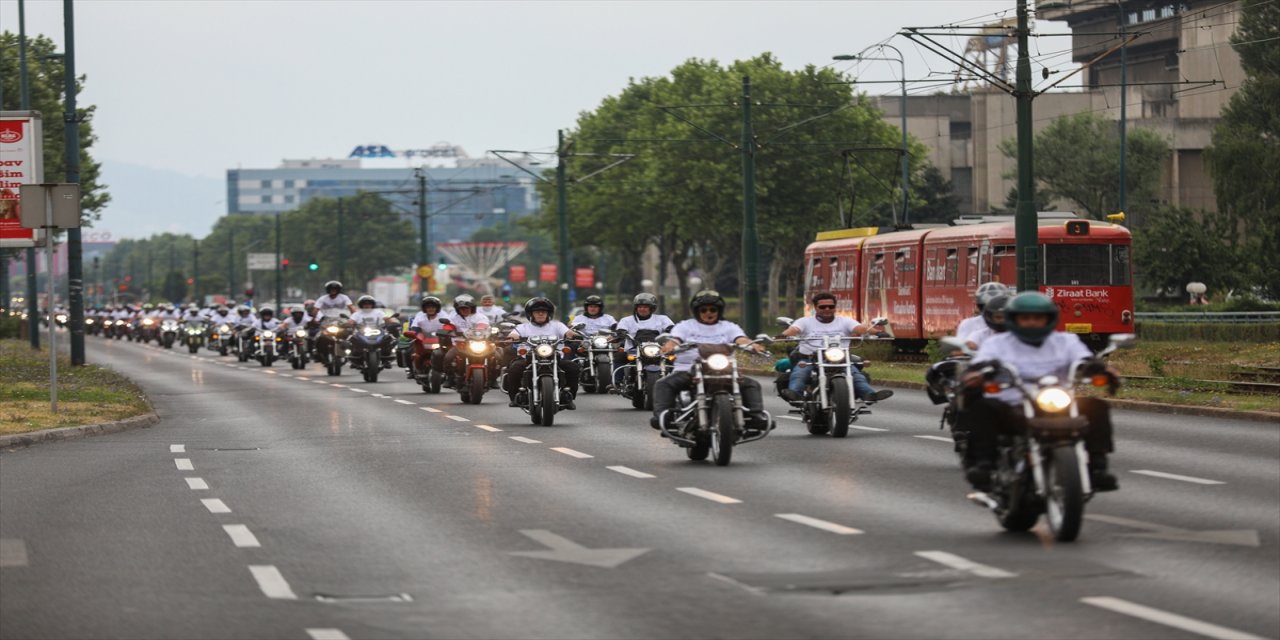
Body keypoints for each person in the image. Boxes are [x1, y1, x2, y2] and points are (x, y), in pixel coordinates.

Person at [959, 292, 1119, 492]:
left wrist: (1101, 370)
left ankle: (1098, 467)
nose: (1032, 323)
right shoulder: (997, 344)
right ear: (1014, 319)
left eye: (1038, 317)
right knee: (983, 407)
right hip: (1013, 406)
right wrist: (977, 373)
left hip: (1058, 401)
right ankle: (984, 465)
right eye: (1025, 318)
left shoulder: (1066, 341)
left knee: (1096, 406)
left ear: (1049, 319)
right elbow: (980, 363)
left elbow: (1084, 359)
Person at [650, 290, 772, 432]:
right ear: (697, 311)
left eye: (713, 309)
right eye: (704, 310)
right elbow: (675, 339)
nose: (709, 313)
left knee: (752, 384)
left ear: (719, 311)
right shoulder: (685, 326)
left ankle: (756, 418)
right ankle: (663, 418)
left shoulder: (728, 326)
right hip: (690, 369)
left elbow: (740, 339)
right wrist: (670, 346)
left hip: (724, 369)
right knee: (663, 383)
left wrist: (752, 345)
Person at [776, 292, 893, 405]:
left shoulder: (845, 321)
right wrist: (784, 335)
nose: (827, 309)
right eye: (823, 307)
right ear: (816, 308)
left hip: (839, 359)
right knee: (799, 373)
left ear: (834, 307)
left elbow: (861, 328)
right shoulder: (805, 321)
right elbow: (794, 329)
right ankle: (796, 395)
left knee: (856, 375)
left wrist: (877, 333)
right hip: (810, 358)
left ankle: (869, 395)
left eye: (831, 306)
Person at [504, 297, 581, 410]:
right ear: (531, 314)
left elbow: (568, 332)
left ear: (548, 313)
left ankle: (568, 396)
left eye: (543, 312)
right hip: (529, 358)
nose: (540, 314)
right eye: (537, 312)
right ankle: (515, 397)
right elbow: (513, 335)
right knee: (515, 368)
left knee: (573, 367)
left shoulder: (557, 325)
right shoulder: (522, 327)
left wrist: (574, 335)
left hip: (555, 357)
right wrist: (512, 338)